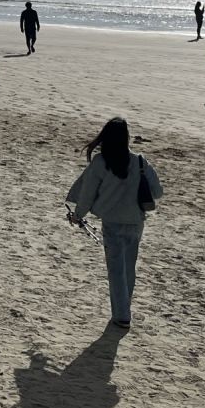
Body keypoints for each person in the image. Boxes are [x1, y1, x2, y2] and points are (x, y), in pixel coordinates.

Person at [66, 117, 164, 330]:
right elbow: (157, 192)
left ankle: (122, 315)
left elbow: (87, 194)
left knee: (116, 270)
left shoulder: (101, 162)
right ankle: (124, 310)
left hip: (112, 222)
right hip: (136, 221)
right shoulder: (139, 161)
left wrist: (77, 215)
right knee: (128, 268)